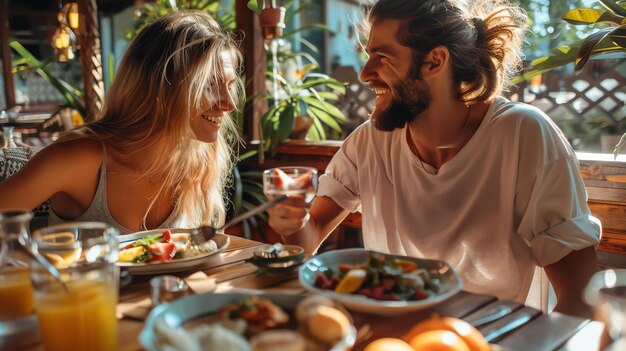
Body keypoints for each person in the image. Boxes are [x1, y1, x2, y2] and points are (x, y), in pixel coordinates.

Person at [267, 0, 601, 318]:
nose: (365, 74)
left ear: (435, 61)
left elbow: (579, 300)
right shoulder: (369, 142)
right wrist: (294, 222)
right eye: (368, 56)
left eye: (382, 57)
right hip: (393, 339)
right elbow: (309, 238)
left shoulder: (523, 135)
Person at [0, 10, 242, 234]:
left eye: (230, 86)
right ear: (159, 88)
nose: (229, 104)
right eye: (209, 85)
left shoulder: (200, 158)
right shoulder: (80, 158)